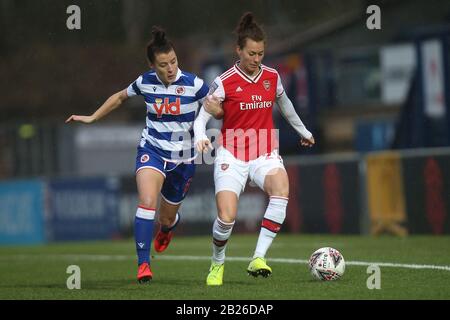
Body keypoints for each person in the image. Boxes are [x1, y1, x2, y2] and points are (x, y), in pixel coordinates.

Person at [66, 26, 209, 283]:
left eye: (174, 61)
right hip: (152, 150)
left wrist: (210, 129)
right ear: (153, 65)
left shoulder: (194, 84)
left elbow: (216, 104)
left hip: (184, 159)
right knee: (146, 201)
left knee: (166, 216)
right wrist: (92, 117)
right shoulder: (145, 82)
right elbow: (120, 97)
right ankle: (144, 265)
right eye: (164, 64)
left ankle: (168, 227)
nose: (171, 68)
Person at [193, 12, 315, 286]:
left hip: (264, 151)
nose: (256, 59)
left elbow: (286, 106)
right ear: (239, 50)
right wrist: (200, 137)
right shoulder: (225, 81)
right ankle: (217, 263)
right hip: (231, 154)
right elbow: (202, 116)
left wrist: (303, 131)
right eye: (251, 53)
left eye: (260, 53)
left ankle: (258, 257)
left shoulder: (272, 77)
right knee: (226, 217)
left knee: (281, 190)